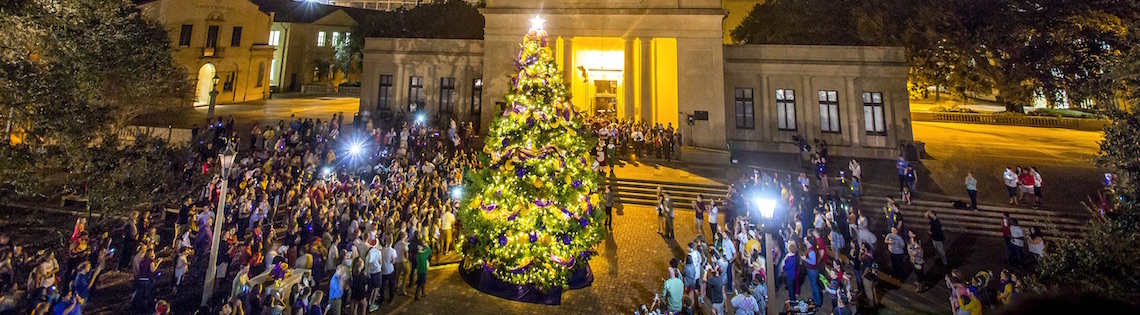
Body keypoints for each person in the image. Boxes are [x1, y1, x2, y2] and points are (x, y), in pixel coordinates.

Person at [802, 240, 822, 306]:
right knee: (813, 285)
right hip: (811, 269)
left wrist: (805, 259)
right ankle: (815, 299)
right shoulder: (810, 249)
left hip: (812, 270)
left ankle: (818, 302)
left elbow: (813, 262)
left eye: (805, 240)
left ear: (808, 241)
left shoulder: (812, 251)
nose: (804, 241)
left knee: (814, 286)